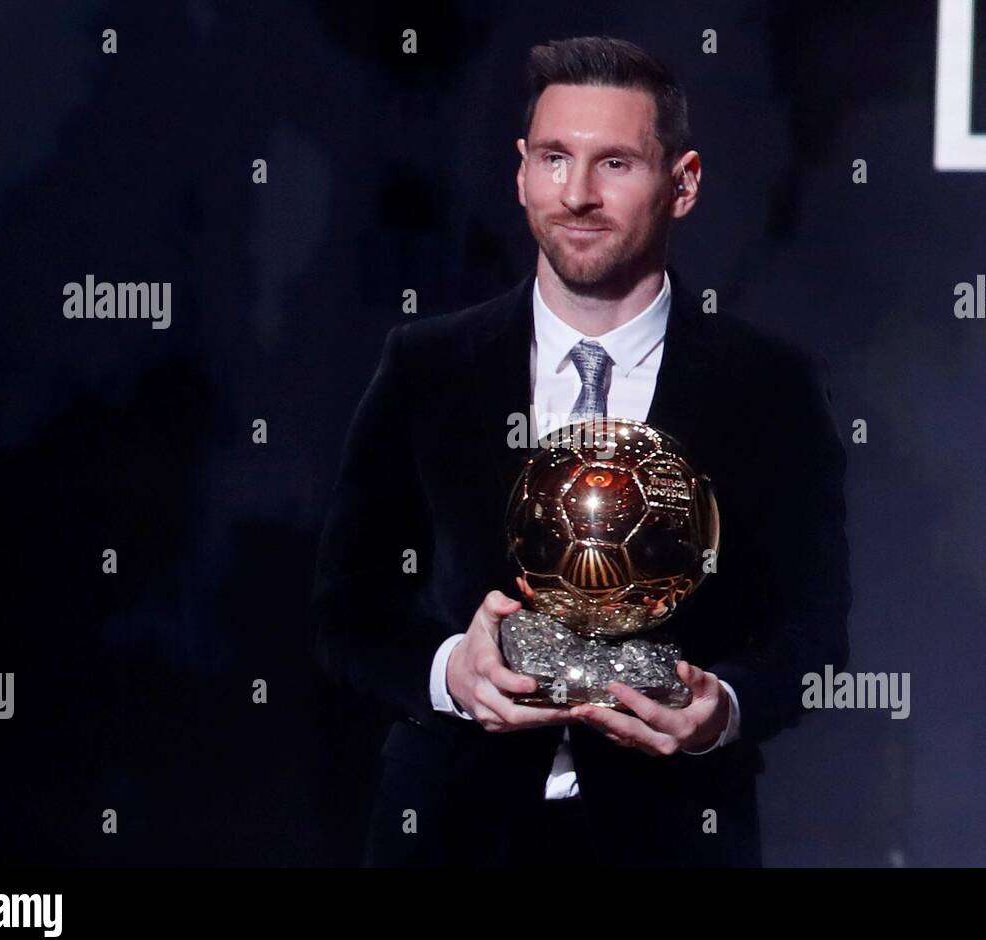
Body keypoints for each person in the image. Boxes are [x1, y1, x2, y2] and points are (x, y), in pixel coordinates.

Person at [311, 35, 851, 867]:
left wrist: (724, 708)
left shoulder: (770, 386)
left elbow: (812, 628)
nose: (578, 194)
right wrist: (452, 669)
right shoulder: (426, 366)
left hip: (671, 837)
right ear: (521, 170)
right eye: (555, 158)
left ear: (685, 183)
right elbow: (344, 610)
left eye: (616, 164)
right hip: (451, 837)